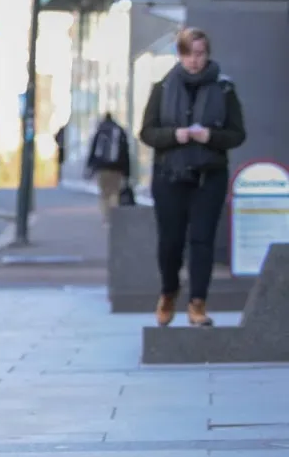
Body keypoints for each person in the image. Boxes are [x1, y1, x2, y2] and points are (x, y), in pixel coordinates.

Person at [139, 27, 246, 328]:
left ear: (207, 54)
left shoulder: (224, 89)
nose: (194, 61)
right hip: (169, 176)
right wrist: (176, 135)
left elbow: (237, 134)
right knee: (170, 243)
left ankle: (198, 303)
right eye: (188, 54)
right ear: (179, 55)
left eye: (199, 54)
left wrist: (210, 135)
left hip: (208, 176)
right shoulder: (163, 87)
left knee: (202, 241)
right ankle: (169, 292)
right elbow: (147, 132)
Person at [84, 112, 131, 224]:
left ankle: (106, 218)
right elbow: (125, 153)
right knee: (115, 193)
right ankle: (113, 217)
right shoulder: (120, 131)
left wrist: (90, 167)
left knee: (104, 194)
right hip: (117, 168)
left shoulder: (100, 131)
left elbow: (93, 150)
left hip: (102, 168)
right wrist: (127, 172)